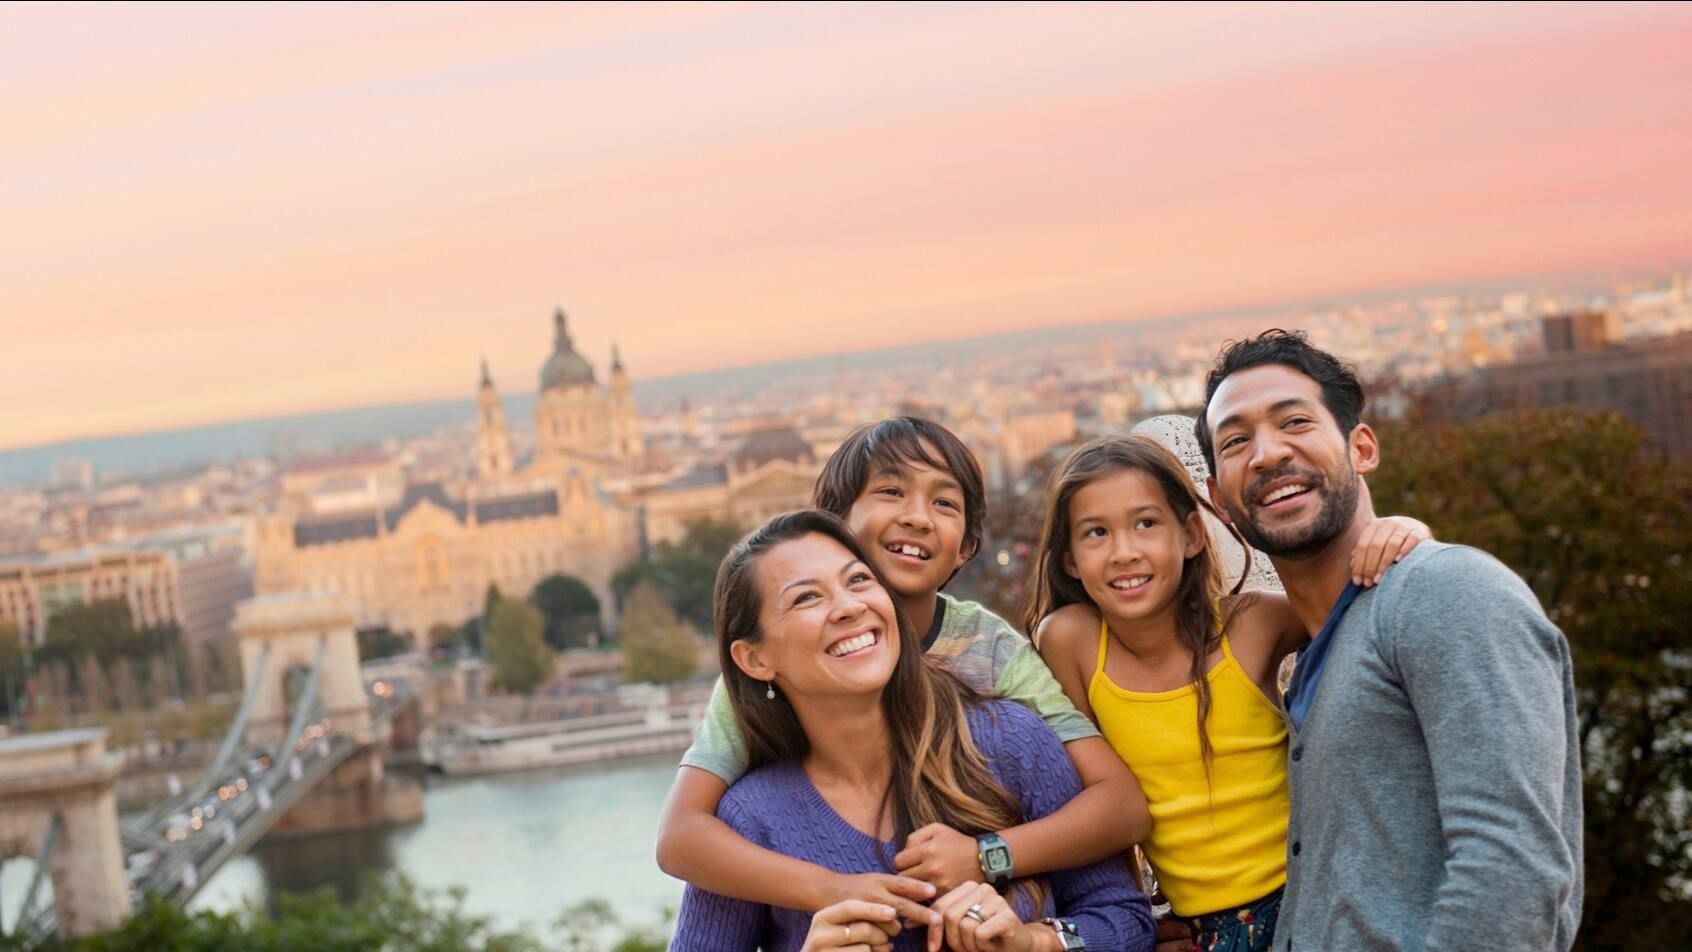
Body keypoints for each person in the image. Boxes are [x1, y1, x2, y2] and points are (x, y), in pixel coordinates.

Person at [658, 418, 1149, 927]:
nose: (917, 517)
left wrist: (987, 856)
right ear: (834, 528)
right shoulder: (771, 683)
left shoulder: (991, 654)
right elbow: (680, 837)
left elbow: (1120, 808)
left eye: (944, 503)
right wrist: (833, 890)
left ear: (966, 548)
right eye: (892, 491)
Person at [1196, 329, 1582, 950]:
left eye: (1294, 422)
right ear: (1219, 500)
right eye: (1236, 441)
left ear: (1362, 448)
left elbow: (1513, 867)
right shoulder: (1311, 657)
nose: (1266, 454)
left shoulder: (1443, 592)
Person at [1028, 434, 1427, 952]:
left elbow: (1365, 609)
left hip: (1319, 903)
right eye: (1096, 533)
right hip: (1206, 933)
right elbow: (1097, 796)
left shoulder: (1252, 624)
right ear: (1069, 561)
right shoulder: (1070, 640)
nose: (1124, 552)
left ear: (1192, 534)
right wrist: (1137, 920)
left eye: (1146, 523)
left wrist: (1406, 533)